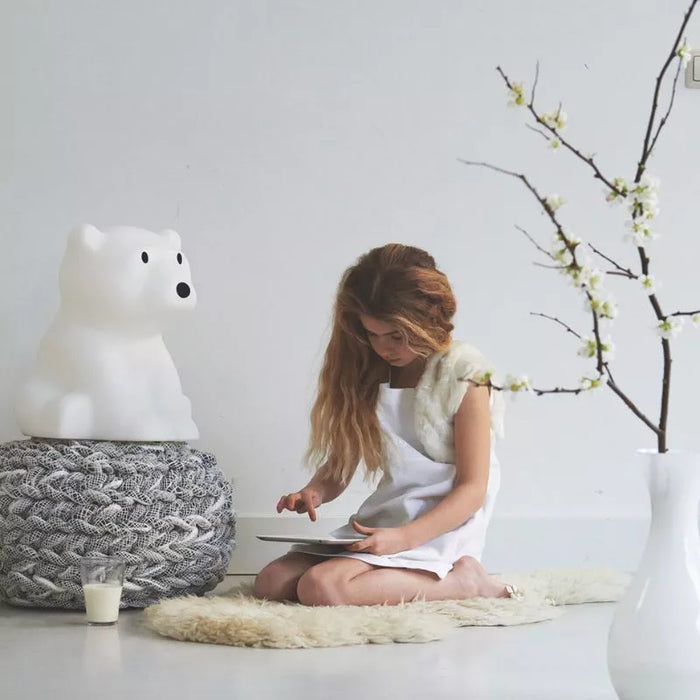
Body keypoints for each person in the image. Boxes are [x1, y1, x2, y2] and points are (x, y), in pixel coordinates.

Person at [254, 243, 517, 606]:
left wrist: (406, 537)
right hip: (389, 516)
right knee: (271, 582)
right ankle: (386, 573)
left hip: (440, 523)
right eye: (372, 335)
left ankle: (465, 581)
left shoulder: (465, 375)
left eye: (396, 336)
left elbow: (473, 489)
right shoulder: (373, 372)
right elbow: (342, 462)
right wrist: (314, 491)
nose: (383, 348)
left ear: (428, 319)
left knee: (323, 587)